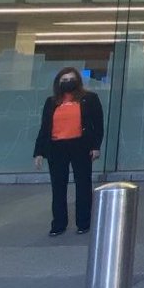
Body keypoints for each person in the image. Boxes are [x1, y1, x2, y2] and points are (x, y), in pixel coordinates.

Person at [32, 67, 104, 236]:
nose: (67, 82)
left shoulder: (90, 99)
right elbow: (45, 128)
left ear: (78, 81)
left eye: (70, 79)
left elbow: (98, 125)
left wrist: (96, 146)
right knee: (58, 187)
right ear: (58, 82)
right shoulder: (52, 102)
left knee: (83, 185)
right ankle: (58, 224)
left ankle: (83, 222)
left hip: (80, 145)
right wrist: (38, 152)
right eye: (63, 80)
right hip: (57, 147)